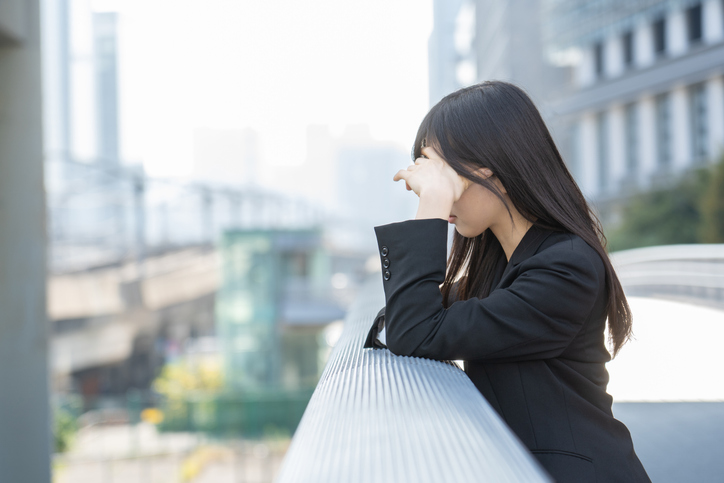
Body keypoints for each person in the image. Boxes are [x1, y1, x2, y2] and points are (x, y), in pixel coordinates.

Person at [363, 80, 651, 482]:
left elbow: (415, 331)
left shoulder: (566, 267)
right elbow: (401, 319)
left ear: (486, 169)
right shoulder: (498, 264)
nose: (432, 190)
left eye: (441, 174)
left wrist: (432, 205)